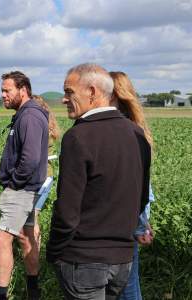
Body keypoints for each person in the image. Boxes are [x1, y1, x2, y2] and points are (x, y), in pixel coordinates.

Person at [46, 63, 151, 300]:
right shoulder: (136, 133)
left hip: (84, 260)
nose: (64, 99)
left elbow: (67, 210)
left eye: (69, 92)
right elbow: (141, 198)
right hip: (122, 261)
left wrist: (53, 251)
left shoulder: (79, 136)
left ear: (92, 92)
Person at [0, 71, 49, 300]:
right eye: (2, 90)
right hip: (26, 189)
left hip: (22, 190)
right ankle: (33, 291)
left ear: (23, 90)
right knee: (26, 237)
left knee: (1, 238)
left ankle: (1, 294)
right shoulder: (25, 115)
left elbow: (31, 159)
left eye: (7, 90)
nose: (3, 95)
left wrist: (14, 184)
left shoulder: (29, 117)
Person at [110, 71, 155, 300]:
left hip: (125, 219)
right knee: (127, 283)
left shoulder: (124, 130)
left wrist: (140, 226)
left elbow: (139, 187)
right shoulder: (136, 127)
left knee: (127, 286)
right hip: (130, 217)